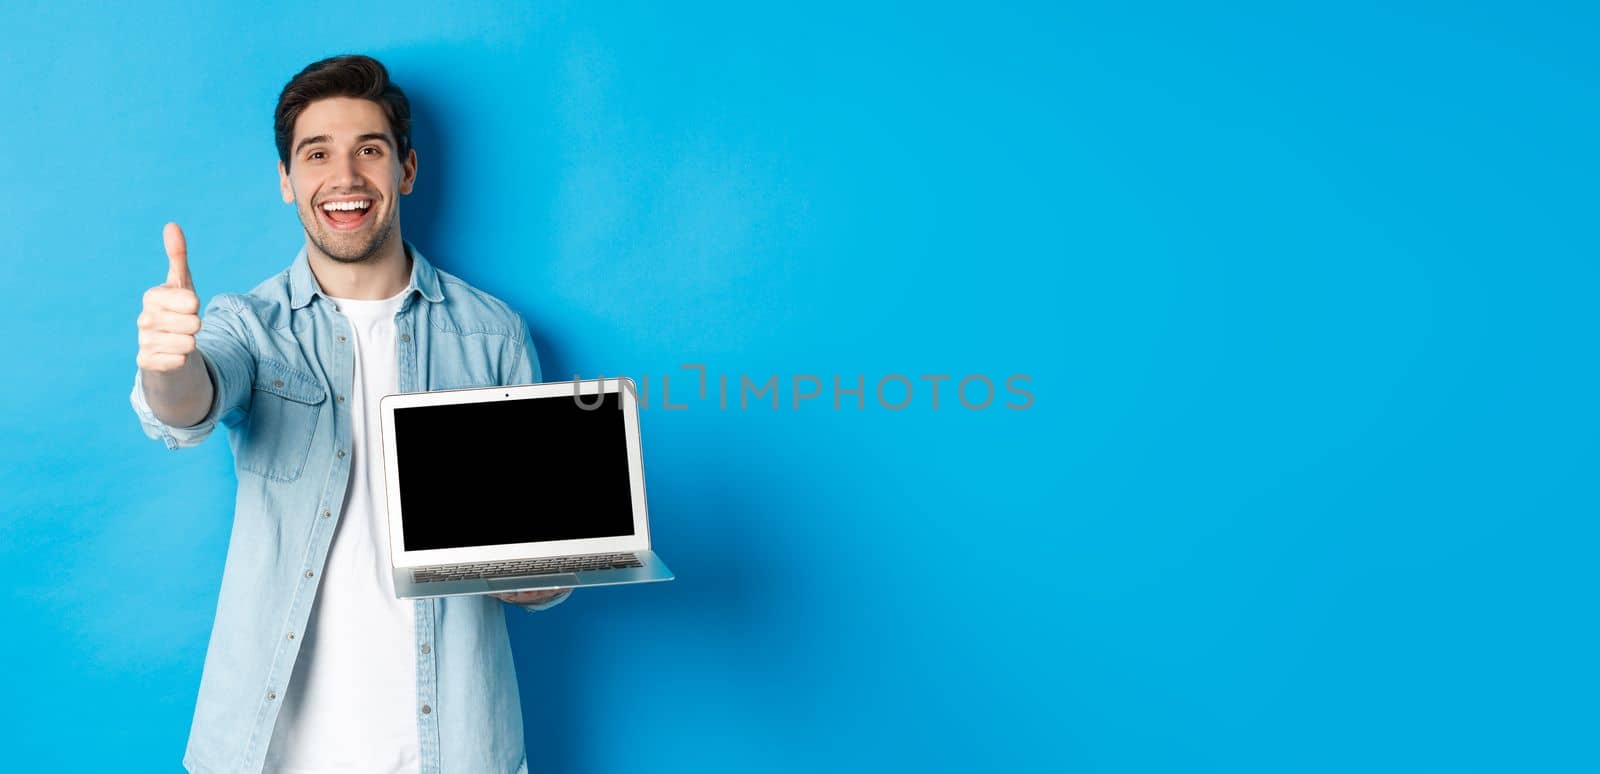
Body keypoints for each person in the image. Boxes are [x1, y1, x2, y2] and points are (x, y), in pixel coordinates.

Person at [130, 54, 570, 774]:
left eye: (369, 149)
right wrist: (168, 364)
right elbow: (190, 403)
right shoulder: (249, 324)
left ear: (407, 170)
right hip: (271, 752)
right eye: (316, 154)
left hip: (454, 748)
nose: (345, 178)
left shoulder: (494, 336)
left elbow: (536, 574)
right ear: (286, 180)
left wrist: (538, 570)